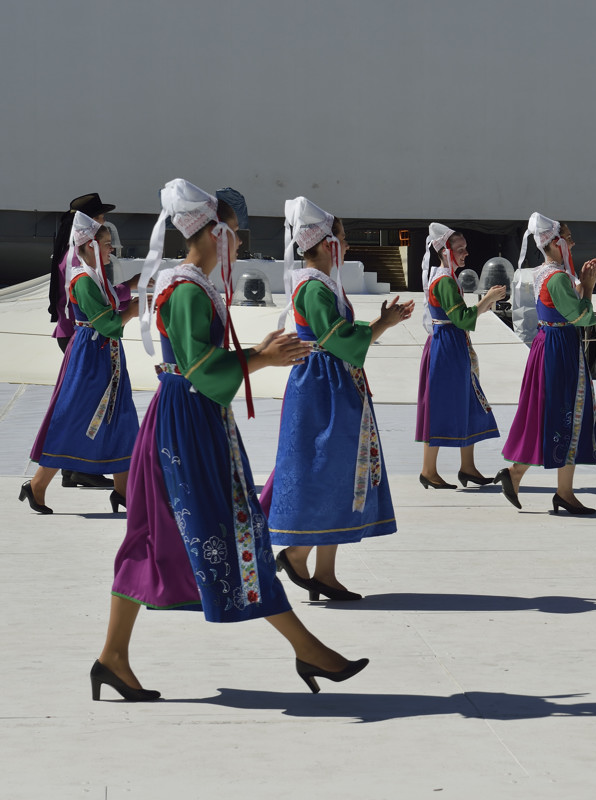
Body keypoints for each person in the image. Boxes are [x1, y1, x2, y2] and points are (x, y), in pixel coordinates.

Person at [95, 180, 366, 701]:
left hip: (186, 418)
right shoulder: (190, 289)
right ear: (215, 233)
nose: (240, 245)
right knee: (236, 530)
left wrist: (259, 352)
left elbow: (196, 364)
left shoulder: (189, 284)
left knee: (159, 534)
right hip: (189, 422)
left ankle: (112, 656)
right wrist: (262, 358)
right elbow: (198, 368)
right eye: (236, 235)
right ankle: (307, 649)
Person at [264, 197, 411, 601]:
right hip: (322, 390)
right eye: (342, 239)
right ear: (328, 243)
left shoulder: (322, 285)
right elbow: (337, 341)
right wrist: (382, 324)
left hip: (332, 385)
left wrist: (380, 323)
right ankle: (299, 555)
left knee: (338, 473)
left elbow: (336, 336)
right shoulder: (313, 286)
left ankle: (323, 571)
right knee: (327, 470)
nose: (345, 246)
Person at [22, 213, 139, 514]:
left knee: (121, 416)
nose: (111, 249)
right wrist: (134, 310)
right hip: (89, 359)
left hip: (107, 356)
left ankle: (123, 491)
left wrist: (132, 296)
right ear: (89, 246)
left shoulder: (96, 278)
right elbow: (108, 324)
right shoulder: (84, 281)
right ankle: (36, 485)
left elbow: (112, 307)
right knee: (73, 419)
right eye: (107, 244)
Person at [498, 213, 596, 514]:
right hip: (560, 349)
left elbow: (568, 306)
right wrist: (590, 287)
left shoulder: (547, 273)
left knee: (557, 414)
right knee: (563, 412)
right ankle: (545, 484)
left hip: (553, 345)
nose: (572, 242)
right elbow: (582, 316)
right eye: (568, 237)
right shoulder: (556, 277)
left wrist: (583, 284)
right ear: (556, 243)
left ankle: (558, 489)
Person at [415, 223, 506, 489]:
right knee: (442, 405)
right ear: (445, 251)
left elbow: (460, 318)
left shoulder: (446, 278)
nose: (466, 253)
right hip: (447, 349)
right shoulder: (443, 281)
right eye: (460, 249)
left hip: (452, 345)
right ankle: (428, 470)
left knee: (468, 402)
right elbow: (462, 318)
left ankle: (467, 467)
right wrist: (486, 298)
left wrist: (483, 305)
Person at [49, 193, 126, 490]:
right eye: (100, 217)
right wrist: (126, 302)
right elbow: (89, 298)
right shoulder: (76, 260)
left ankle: (74, 469)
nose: (104, 222)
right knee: (82, 405)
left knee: (83, 403)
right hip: (80, 333)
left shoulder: (76, 254)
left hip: (80, 331)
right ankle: (70, 468)